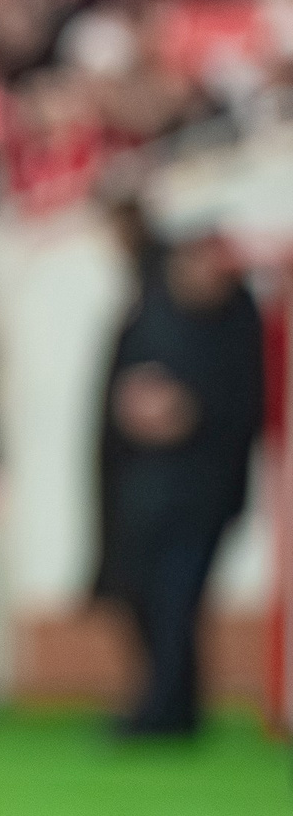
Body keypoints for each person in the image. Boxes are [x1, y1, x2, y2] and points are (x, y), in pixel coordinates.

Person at [96, 227, 264, 737]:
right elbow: (114, 394)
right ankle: (167, 701)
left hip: (205, 491)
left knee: (179, 598)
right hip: (141, 488)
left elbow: (248, 405)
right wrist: (134, 408)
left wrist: (190, 411)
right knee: (141, 594)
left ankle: (167, 707)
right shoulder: (148, 314)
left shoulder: (239, 325)